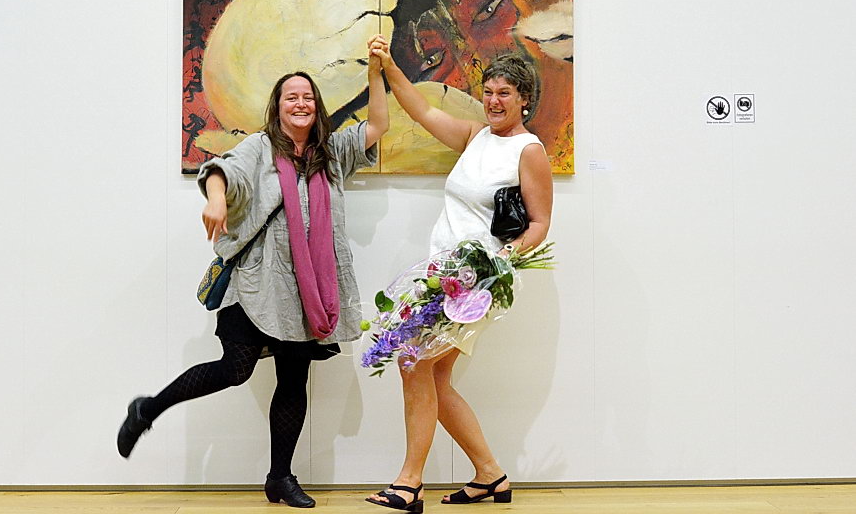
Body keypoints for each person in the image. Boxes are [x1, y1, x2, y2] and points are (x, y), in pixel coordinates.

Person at [117, 39, 389, 509]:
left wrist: (376, 75)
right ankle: (148, 408)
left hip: (309, 289)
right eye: (291, 97)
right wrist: (216, 200)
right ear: (277, 107)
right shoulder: (260, 148)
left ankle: (280, 478)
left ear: (317, 107)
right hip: (259, 283)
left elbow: (379, 125)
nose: (300, 103)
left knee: (293, 378)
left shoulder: (331, 151)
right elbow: (220, 170)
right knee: (235, 369)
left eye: (308, 97)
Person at [365, 37, 552, 512]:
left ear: (524, 99)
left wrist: (497, 261)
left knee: (414, 362)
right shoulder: (474, 136)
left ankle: (410, 483)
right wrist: (387, 65)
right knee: (433, 376)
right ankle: (490, 475)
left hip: (479, 283)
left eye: (504, 93)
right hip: (442, 274)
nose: (493, 101)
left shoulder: (529, 150)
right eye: (488, 91)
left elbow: (539, 224)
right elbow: (420, 110)